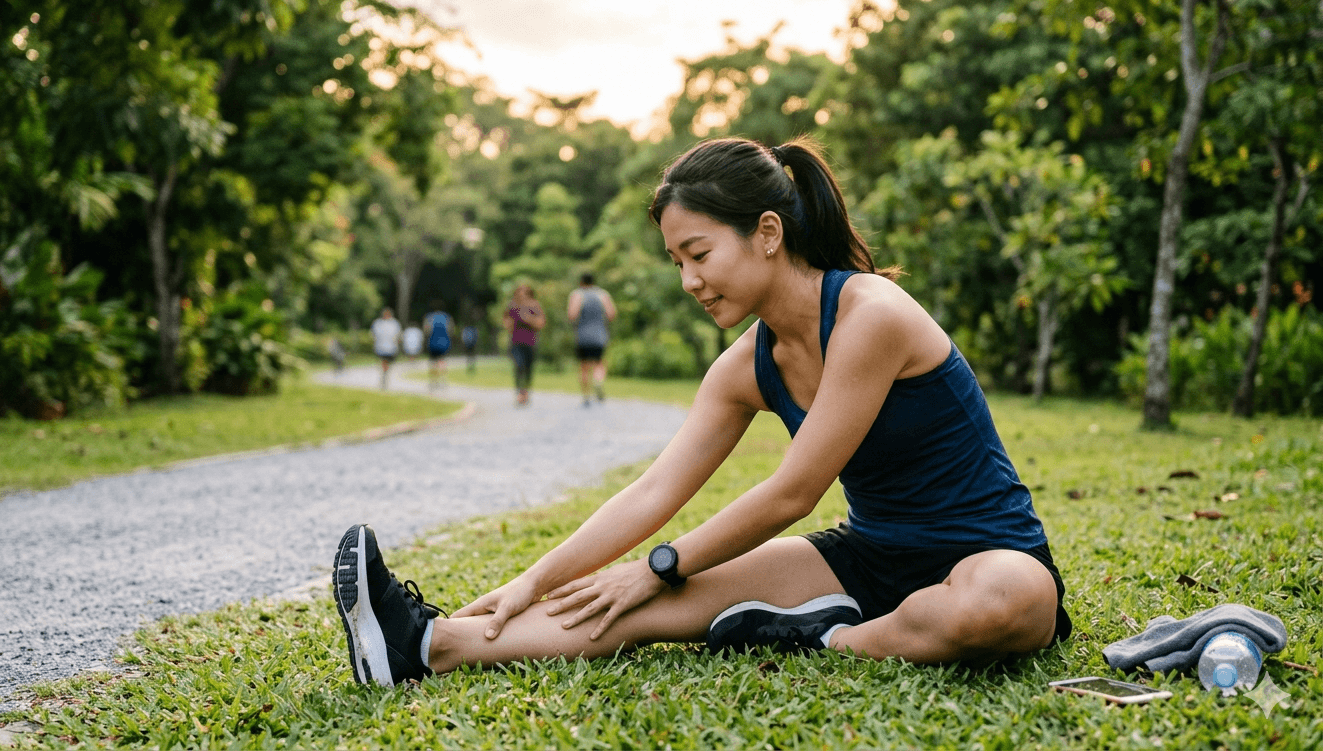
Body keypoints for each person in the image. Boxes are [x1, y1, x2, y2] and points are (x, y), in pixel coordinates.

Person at [331, 136, 1072, 689]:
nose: (688, 280)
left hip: (991, 556)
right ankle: (423, 645)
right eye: (675, 262)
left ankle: (831, 641)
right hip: (867, 560)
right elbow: (654, 490)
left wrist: (663, 565)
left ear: (768, 234)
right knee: (629, 606)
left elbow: (794, 491)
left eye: (698, 253)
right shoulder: (745, 365)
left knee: (999, 604)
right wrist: (537, 577)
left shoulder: (869, 314)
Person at [568, 272, 617, 406]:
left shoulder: (577, 295)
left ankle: (586, 396)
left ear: (581, 282)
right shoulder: (603, 294)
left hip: (582, 335)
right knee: (599, 363)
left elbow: (572, 314)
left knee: (583, 366)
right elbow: (611, 314)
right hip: (599, 335)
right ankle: (598, 381)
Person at [502, 284, 545, 406]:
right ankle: (520, 393)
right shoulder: (512, 306)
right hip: (516, 342)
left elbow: (541, 323)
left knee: (528, 368)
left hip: (531, 342)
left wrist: (528, 319)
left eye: (525, 293)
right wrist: (509, 325)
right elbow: (506, 320)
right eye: (519, 293)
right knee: (518, 365)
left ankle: (525, 391)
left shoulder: (535, 306)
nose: (522, 296)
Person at [423, 301, 453, 390]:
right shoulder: (446, 317)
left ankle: (433, 381)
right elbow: (450, 330)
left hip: (433, 342)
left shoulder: (429, 317)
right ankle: (443, 380)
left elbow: (426, 330)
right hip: (444, 342)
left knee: (433, 362)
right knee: (442, 361)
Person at [369, 308, 401, 388]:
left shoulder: (394, 323)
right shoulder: (378, 323)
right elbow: (373, 335)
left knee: (386, 363)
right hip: (381, 348)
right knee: (384, 363)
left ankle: (384, 376)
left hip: (390, 348)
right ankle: (384, 377)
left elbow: (398, 336)